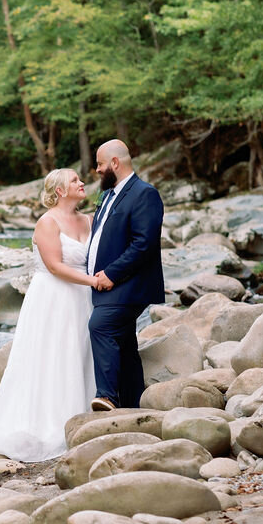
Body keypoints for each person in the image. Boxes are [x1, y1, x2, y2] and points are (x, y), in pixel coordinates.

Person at [0, 168, 98, 461]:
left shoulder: (90, 219)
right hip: (53, 298)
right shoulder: (47, 222)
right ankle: (48, 427)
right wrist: (94, 281)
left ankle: (82, 419)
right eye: (75, 180)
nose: (82, 183)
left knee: (79, 354)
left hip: (82, 298)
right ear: (59, 190)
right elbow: (55, 266)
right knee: (52, 357)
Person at [86, 139, 165, 411]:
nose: (96, 170)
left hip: (129, 282)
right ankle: (134, 403)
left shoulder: (144, 193)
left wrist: (111, 274)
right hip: (107, 283)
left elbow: (144, 243)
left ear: (115, 163)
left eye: (99, 164)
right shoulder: (109, 195)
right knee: (124, 341)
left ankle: (107, 396)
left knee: (101, 325)